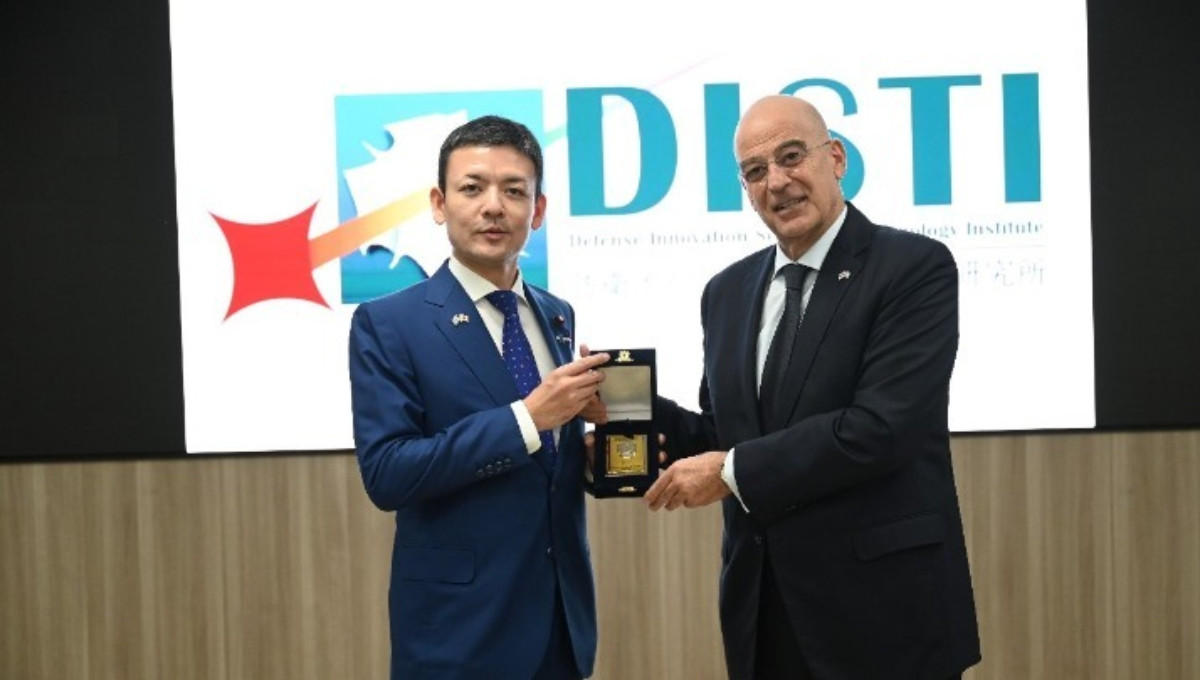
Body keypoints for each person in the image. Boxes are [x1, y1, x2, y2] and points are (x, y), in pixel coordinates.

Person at [643, 95, 981, 679]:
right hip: (764, 614)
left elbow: (880, 430)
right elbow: (727, 435)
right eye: (755, 171)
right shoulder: (725, 292)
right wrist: (634, 413)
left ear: (837, 158)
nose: (776, 181)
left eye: (791, 156)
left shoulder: (913, 267)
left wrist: (729, 470)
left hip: (884, 616)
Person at [348, 115, 609, 679]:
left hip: (560, 627)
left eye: (514, 191)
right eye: (472, 188)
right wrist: (526, 420)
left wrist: (585, 454)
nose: (494, 207)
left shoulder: (557, 314)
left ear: (537, 210)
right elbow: (388, 472)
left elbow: (545, 465)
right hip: (459, 635)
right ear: (439, 203)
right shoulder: (388, 323)